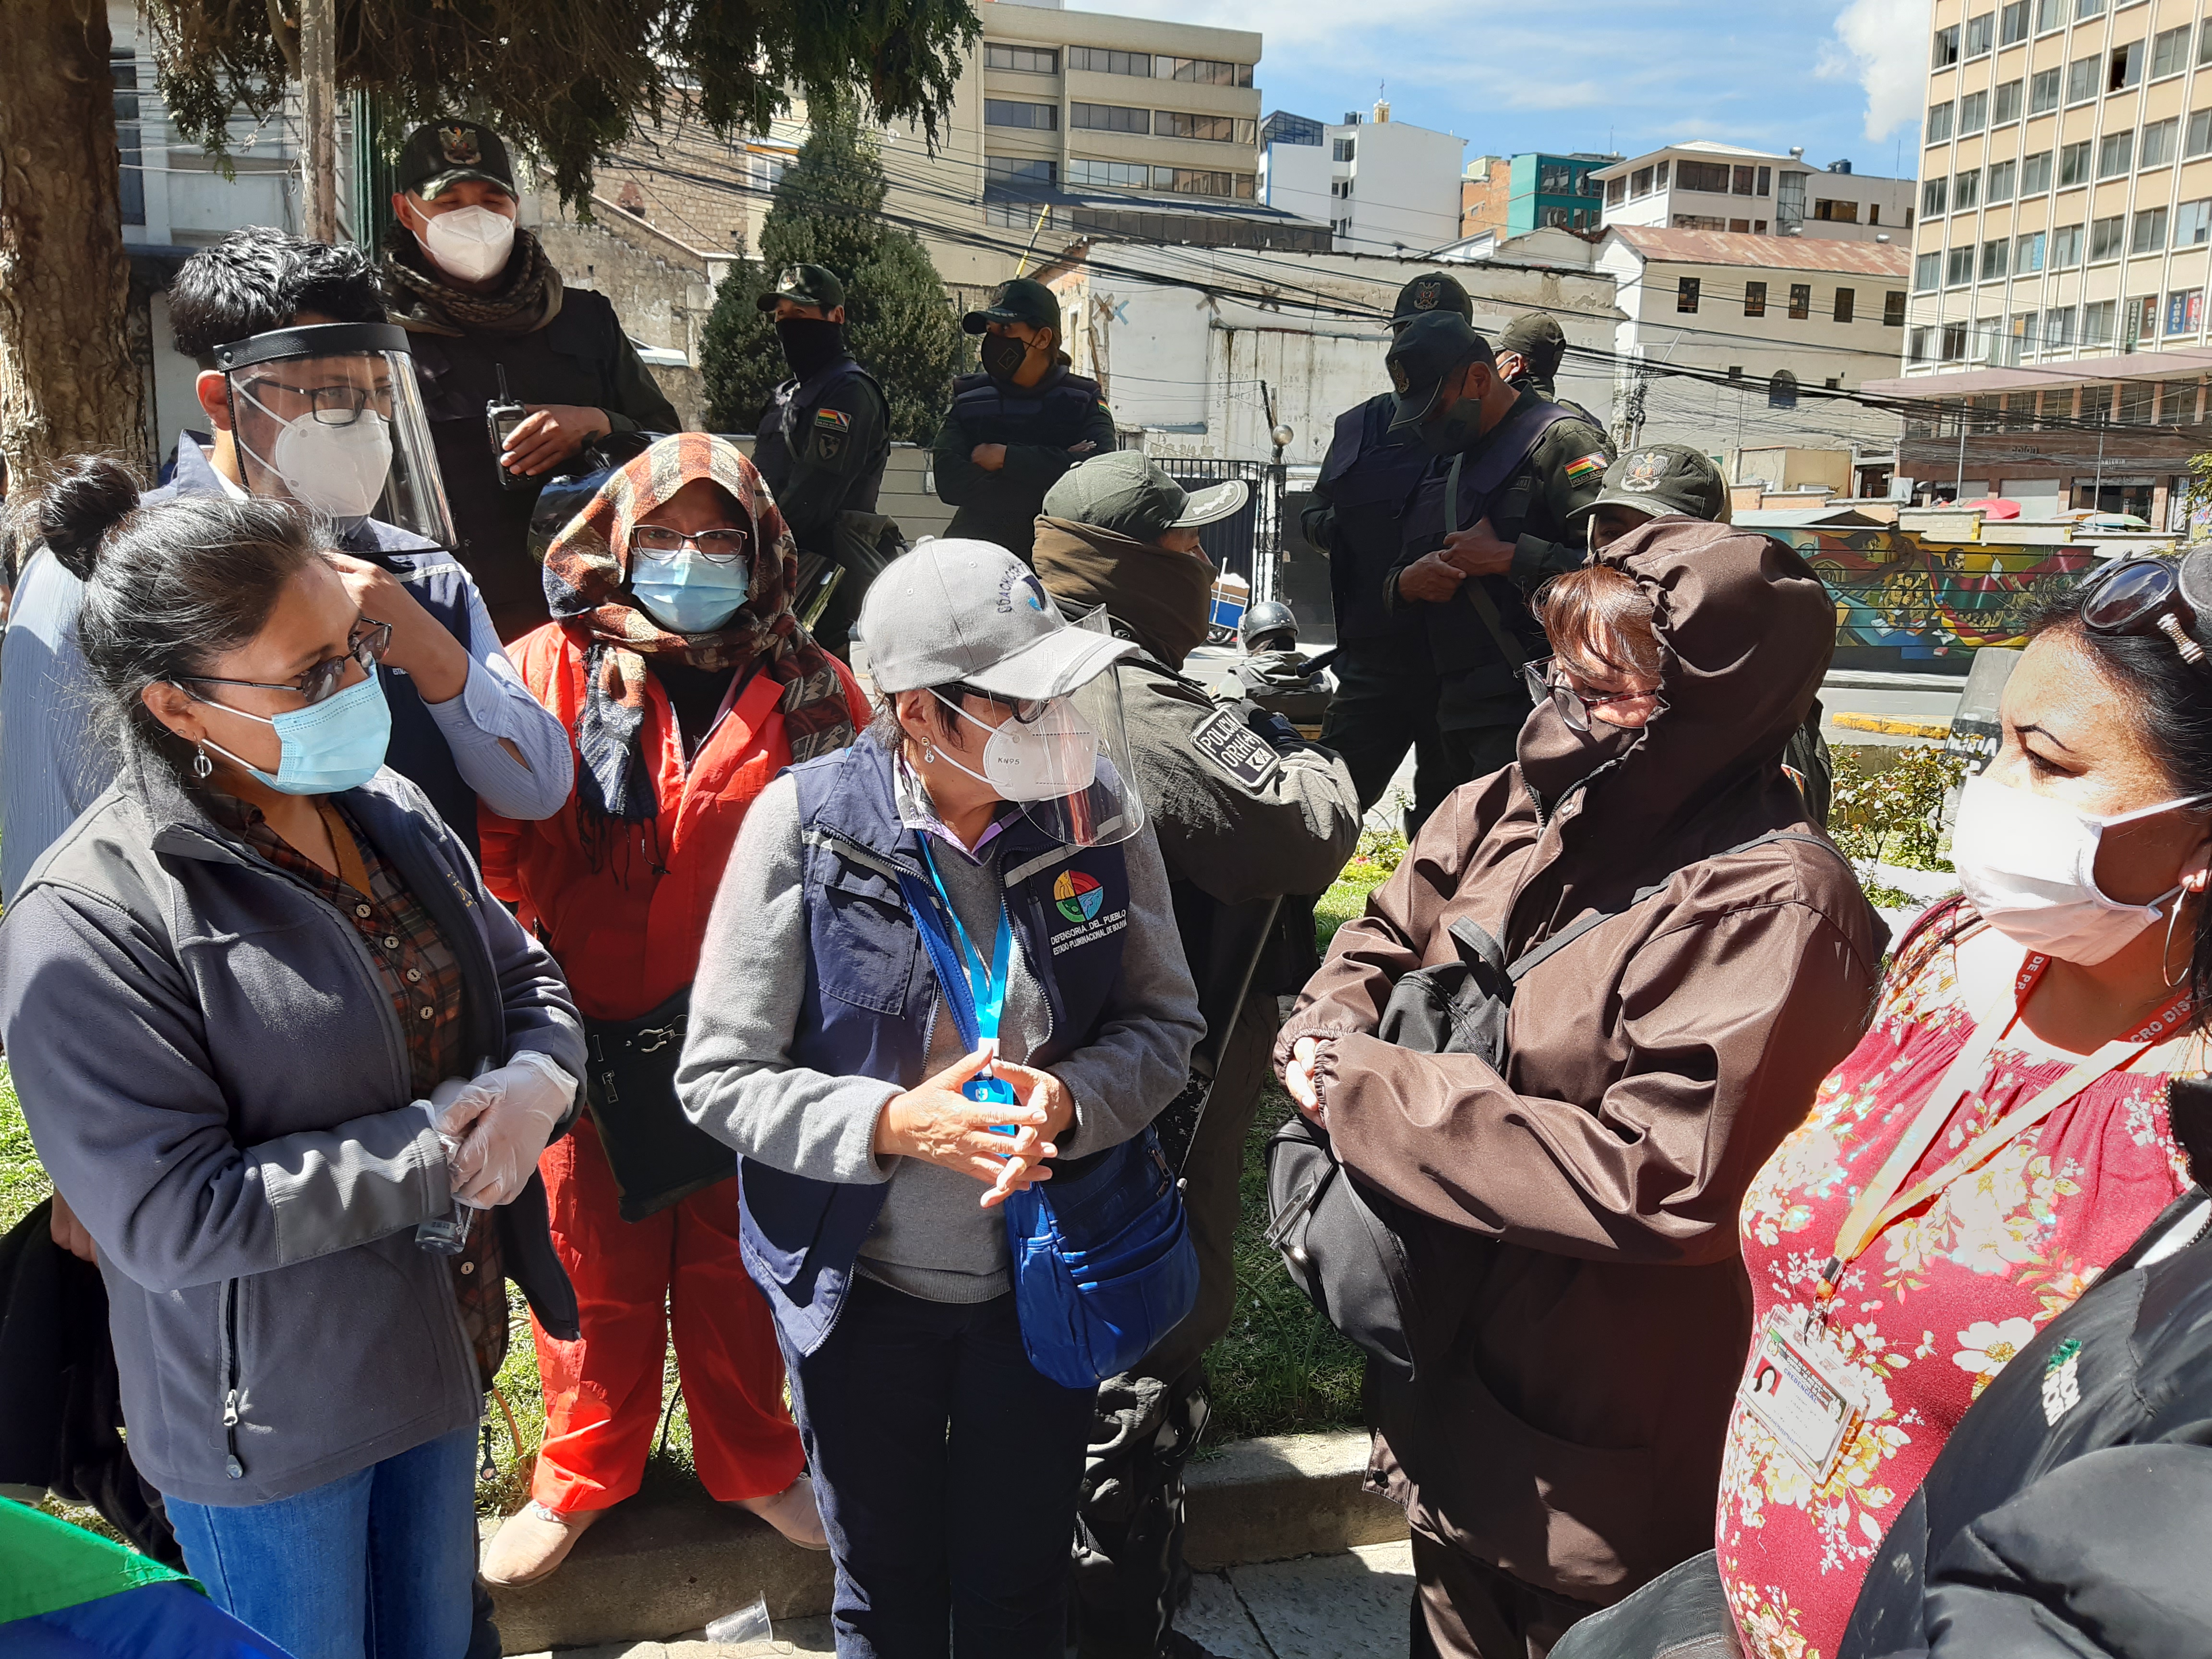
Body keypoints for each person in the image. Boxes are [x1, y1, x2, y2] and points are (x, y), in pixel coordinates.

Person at [0, 459, 587, 1659]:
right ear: (176, 706)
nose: (357, 687)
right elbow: (171, 1213)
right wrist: (442, 1149)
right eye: (312, 670)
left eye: (355, 646)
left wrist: (541, 1081)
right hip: (266, 1421)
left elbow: (521, 974)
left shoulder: (384, 807)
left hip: (437, 1349)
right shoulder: (91, 915)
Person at [1278, 518, 1886, 1658]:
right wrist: (1328, 1019)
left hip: (1595, 1440)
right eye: (1557, 674)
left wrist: (1365, 1087)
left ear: (1716, 705)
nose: (1564, 711)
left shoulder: (1771, 905)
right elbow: (1381, 931)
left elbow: (1663, 1178)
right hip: (1449, 1369)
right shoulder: (1517, 800)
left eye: (1609, 692)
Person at [676, 537, 1204, 1656]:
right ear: (919, 712)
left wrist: (1068, 1101)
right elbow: (717, 1074)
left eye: (1062, 688)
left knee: (1018, 1584)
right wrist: (884, 1122)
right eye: (1021, 698)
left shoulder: (1093, 811)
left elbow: (1167, 1028)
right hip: (862, 1294)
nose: (1059, 719)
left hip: (1042, 1285)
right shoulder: (806, 824)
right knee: (886, 1587)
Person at [1695, 552, 2212, 1659]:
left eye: (2047, 760)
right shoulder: (1949, 953)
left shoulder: (2192, 1131)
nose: (1993, 791)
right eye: (1996, 742)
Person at [476, 432, 866, 1585]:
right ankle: (585, 1471)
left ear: (762, 552)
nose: (690, 558)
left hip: (754, 1037)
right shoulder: (540, 669)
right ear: (615, 538)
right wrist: (526, 999)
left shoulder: (817, 686)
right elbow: (493, 851)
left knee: (741, 1261)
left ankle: (755, 1460)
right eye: (663, 535)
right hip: (583, 1033)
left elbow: (856, 855)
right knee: (590, 1257)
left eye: (717, 537)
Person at [1031, 452, 1363, 1659]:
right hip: (1151, 1092)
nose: (1211, 566)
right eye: (1187, 549)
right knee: (1139, 1350)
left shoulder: (1008, 675)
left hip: (1031, 1090)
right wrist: (1297, 737)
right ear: (1129, 567)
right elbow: (1309, 830)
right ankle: (1114, 1626)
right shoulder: (1139, 703)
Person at [1, 230, 572, 901]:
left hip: (430, 966)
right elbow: (50, 846)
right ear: (222, 399)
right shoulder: (101, 571)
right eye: (331, 394)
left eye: (381, 393)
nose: (367, 424)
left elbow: (536, 789)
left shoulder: (420, 575)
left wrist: (429, 651)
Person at [382, 119, 681, 639]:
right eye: (450, 203)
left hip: (586, 617)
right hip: (438, 624)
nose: (474, 218)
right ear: (405, 210)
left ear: (515, 207)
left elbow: (671, 451)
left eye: (492, 202)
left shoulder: (586, 319)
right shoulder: (375, 332)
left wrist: (600, 423)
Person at [1383, 313, 1612, 793]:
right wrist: (1407, 583)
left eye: (1435, 408)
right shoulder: (1448, 459)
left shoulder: (1564, 444)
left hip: (1530, 709)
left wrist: (1512, 557)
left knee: (1509, 858)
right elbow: (1399, 566)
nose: (1427, 425)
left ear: (1480, 379)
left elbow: (1620, 578)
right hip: (1449, 708)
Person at [1567, 445, 1832, 826]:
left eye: (1657, 535)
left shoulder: (1757, 705)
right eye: (1613, 532)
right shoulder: (1576, 665)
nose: (1627, 552)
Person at [1305, 273, 1474, 834]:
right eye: (1406, 331)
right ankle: (1283, 924)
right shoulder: (1359, 425)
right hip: (1376, 661)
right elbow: (1312, 518)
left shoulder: (1489, 426)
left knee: (1450, 828)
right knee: (1323, 810)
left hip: (1460, 666)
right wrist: (1357, 533)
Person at [749, 263, 895, 656]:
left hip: (819, 566)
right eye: (781, 315)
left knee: (818, 673)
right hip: (775, 561)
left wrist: (762, 549)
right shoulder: (786, 393)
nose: (788, 325)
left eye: (801, 314)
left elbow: (817, 491)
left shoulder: (850, 392)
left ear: (837, 316)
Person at [930, 277, 1117, 564]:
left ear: (1042, 338)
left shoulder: (1082, 398)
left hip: (1056, 565)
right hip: (975, 559)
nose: (993, 341)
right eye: (990, 331)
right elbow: (949, 481)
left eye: (1005, 329)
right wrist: (1059, 468)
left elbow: (1100, 474)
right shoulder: (971, 397)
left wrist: (1005, 457)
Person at [1493, 313, 1612, 438]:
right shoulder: (1583, 420)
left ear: (1515, 364)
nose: (1493, 360)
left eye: (1497, 354)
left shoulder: (1492, 417)